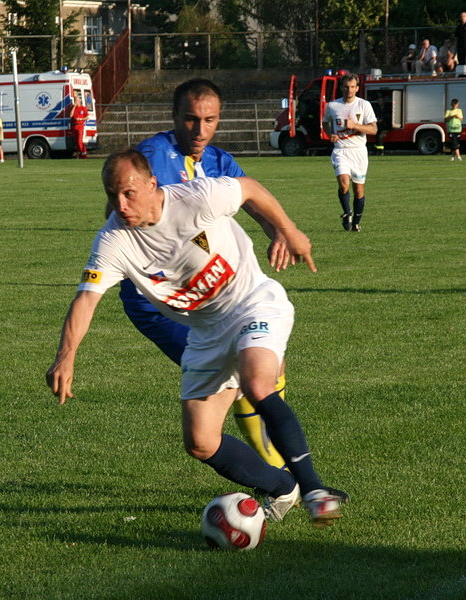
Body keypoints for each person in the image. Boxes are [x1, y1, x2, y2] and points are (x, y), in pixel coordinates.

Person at [46, 149, 348, 527]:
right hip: (206, 332)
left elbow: (250, 188)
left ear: (152, 184)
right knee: (201, 441)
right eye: (112, 195)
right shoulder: (113, 241)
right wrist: (66, 355)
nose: (120, 205)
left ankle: (315, 488)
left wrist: (288, 230)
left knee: (257, 382)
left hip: (252, 303)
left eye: (128, 193)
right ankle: (283, 487)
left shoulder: (196, 198)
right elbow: (86, 299)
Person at [128, 78, 292, 470]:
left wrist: (280, 232)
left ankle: (281, 472)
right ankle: (281, 475)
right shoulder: (152, 158)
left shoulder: (219, 161)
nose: (200, 130)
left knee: (267, 367)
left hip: (213, 299)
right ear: (174, 117)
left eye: (209, 120)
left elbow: (253, 198)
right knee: (240, 377)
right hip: (166, 303)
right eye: (190, 119)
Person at [322, 73, 378, 232]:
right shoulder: (332, 106)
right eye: (346, 87)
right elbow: (325, 123)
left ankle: (355, 223)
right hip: (341, 150)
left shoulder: (364, 105)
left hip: (359, 152)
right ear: (341, 88)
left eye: (352, 87)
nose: (349, 90)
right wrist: (330, 135)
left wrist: (356, 126)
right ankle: (347, 213)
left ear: (357, 88)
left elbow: (373, 129)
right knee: (344, 183)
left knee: (359, 190)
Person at [70, 93, 89, 159]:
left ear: (79, 100)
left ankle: (84, 153)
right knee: (76, 142)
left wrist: (81, 119)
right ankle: (81, 154)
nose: (75, 101)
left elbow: (87, 117)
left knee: (79, 140)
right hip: (74, 126)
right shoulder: (73, 107)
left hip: (80, 126)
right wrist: (74, 106)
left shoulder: (83, 108)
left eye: (76, 100)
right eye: (74, 100)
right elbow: (70, 115)